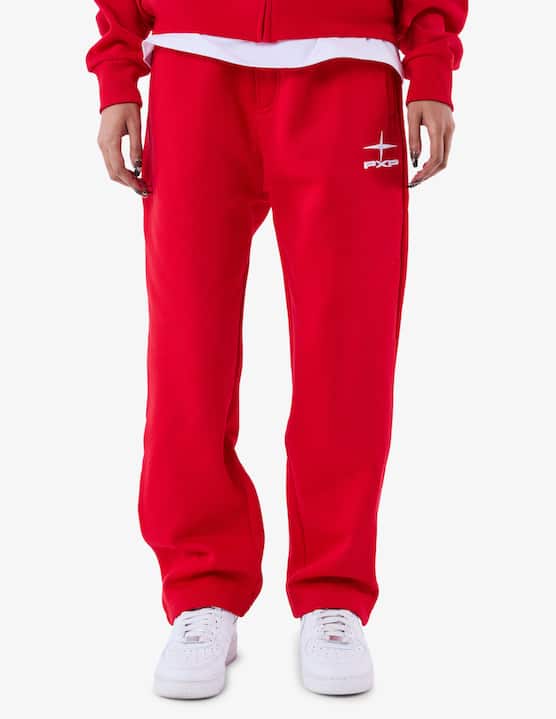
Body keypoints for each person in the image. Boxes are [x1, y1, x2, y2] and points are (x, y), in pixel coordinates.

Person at [86, 0, 467, 699]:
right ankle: (201, 588)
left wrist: (432, 65)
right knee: (186, 353)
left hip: (348, 65)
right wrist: (118, 73)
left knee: (347, 352)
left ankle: (333, 593)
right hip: (194, 64)